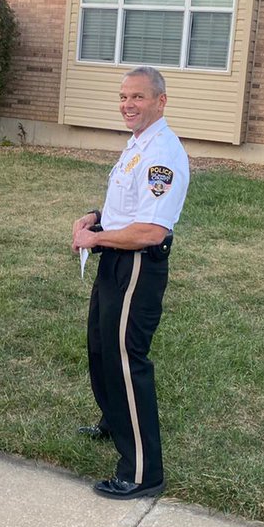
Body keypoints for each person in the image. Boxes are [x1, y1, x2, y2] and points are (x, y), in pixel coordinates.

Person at [71, 66, 189, 500]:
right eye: (123, 97)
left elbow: (151, 231)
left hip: (137, 265)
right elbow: (127, 207)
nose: (128, 105)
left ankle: (142, 472)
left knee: (126, 359)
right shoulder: (137, 145)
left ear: (161, 101)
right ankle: (114, 420)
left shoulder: (163, 154)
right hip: (115, 260)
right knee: (100, 347)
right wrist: (95, 217)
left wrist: (96, 238)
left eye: (137, 97)